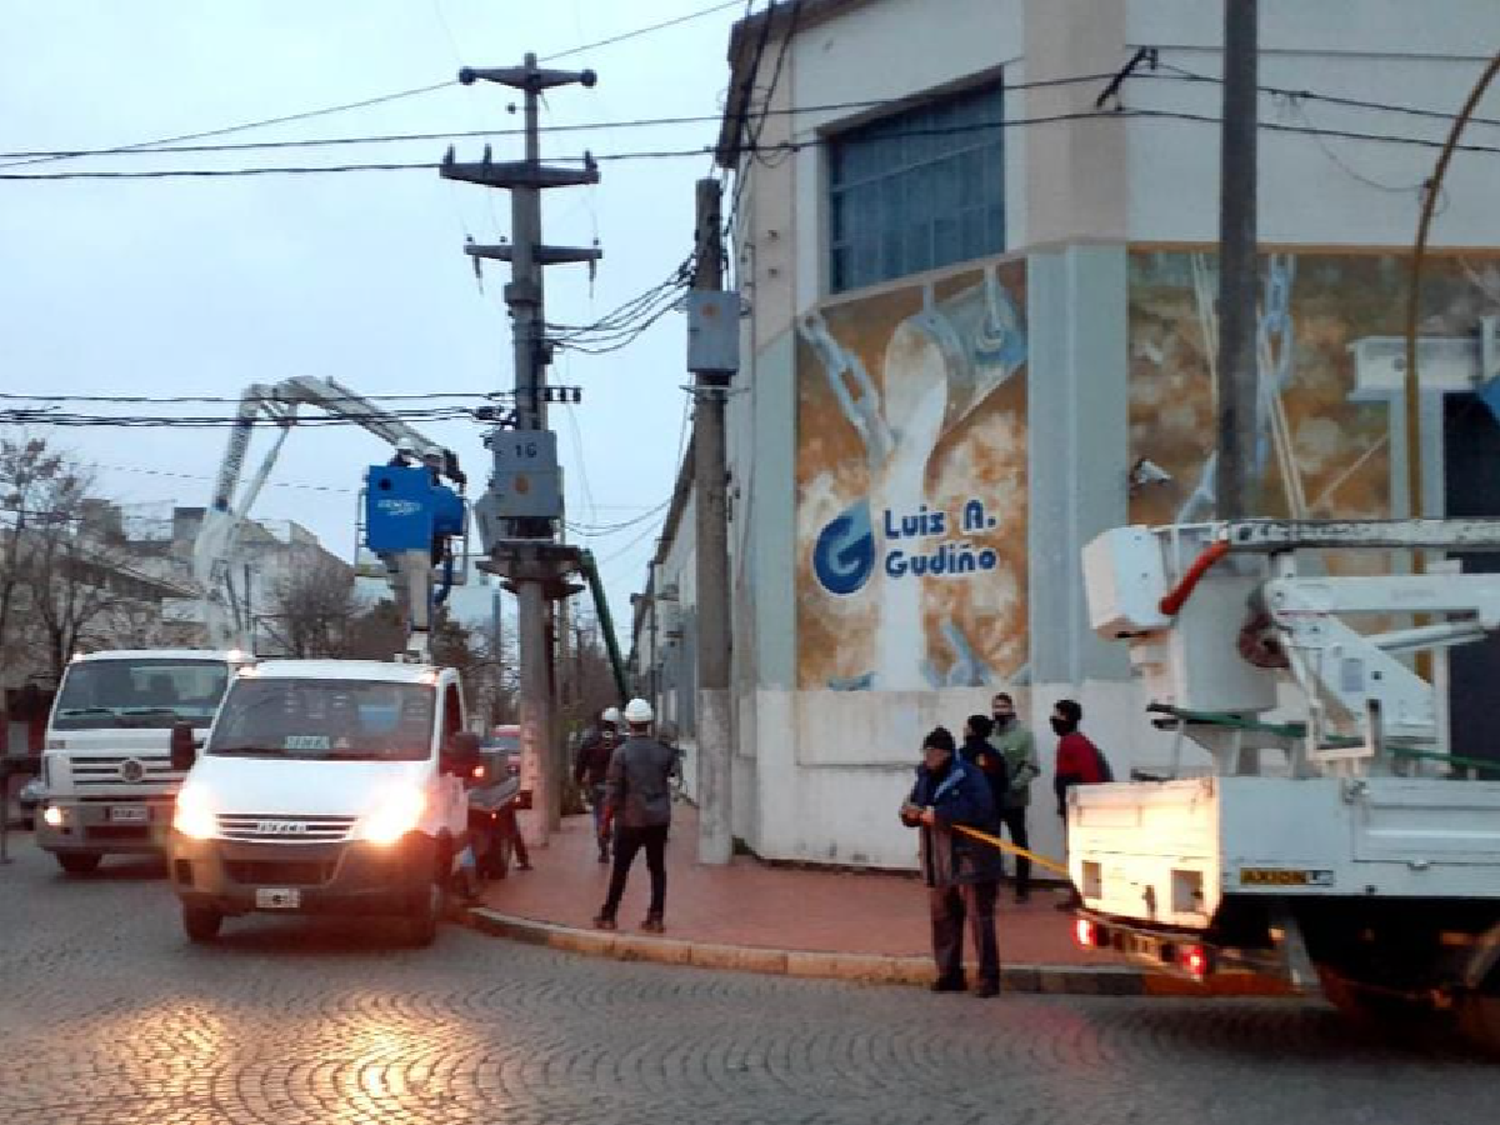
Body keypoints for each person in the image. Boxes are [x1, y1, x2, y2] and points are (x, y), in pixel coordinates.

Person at [900, 726, 1003, 998]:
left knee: (980, 920)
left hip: (972, 860)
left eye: (934, 751)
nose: (929, 756)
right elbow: (913, 804)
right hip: (938, 860)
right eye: (926, 751)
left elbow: (982, 810)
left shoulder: (970, 775)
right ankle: (949, 974)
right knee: (943, 919)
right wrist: (909, 814)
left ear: (947, 753)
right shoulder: (923, 777)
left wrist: (942, 815)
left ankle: (988, 978)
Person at [594, 698, 677, 933]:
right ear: (649, 722)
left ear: (628, 722)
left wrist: (604, 823)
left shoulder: (621, 753)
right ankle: (656, 916)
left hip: (630, 820)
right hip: (658, 820)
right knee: (657, 869)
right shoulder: (663, 751)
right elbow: (671, 773)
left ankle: (609, 915)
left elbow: (613, 793)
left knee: (621, 869)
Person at [1052, 698, 1109, 909]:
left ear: (1065, 717)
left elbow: (1090, 776)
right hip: (1075, 806)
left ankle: (1078, 896)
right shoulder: (1076, 741)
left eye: (1057, 715)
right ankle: (1079, 894)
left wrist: (1086, 806)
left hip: (1079, 809)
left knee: (1077, 851)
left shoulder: (1072, 743)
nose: (1053, 720)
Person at [990, 692, 1040, 904]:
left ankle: (1022, 888)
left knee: (1019, 842)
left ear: (1011, 709)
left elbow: (1032, 766)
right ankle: (992, 887)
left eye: (1003, 707)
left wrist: (1014, 786)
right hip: (991, 799)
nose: (999, 711)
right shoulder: (990, 735)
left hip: (1014, 799)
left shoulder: (1024, 735)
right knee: (990, 844)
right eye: (995, 707)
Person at [574, 707, 621, 863]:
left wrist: (578, 779)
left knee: (599, 816)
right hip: (618, 786)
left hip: (598, 784)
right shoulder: (621, 740)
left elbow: (581, 761)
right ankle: (617, 842)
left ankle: (603, 850)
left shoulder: (591, 739)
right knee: (620, 815)